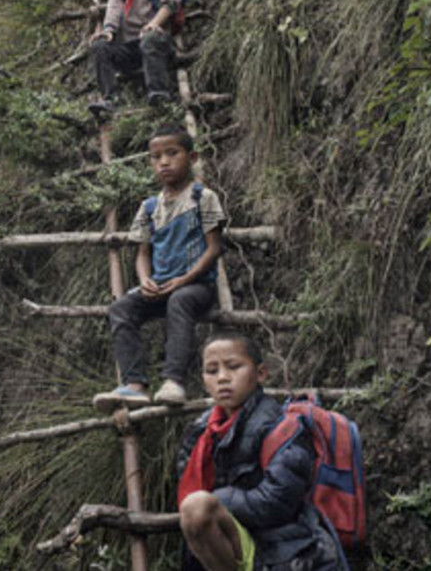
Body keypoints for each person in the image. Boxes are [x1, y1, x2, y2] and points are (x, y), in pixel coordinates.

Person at [175, 333, 345, 571]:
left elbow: (278, 502)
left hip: (281, 550)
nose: (223, 378)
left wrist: (218, 500)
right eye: (212, 371)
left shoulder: (282, 427)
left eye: (233, 367)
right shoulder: (200, 432)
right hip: (228, 548)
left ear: (261, 373)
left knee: (198, 507)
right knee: (196, 507)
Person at [93, 124, 224, 412]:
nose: (163, 162)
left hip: (196, 287)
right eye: (156, 157)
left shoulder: (204, 198)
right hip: (160, 286)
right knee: (121, 308)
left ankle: (173, 381)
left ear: (191, 158)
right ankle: (135, 385)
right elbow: (142, 252)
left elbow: (214, 248)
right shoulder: (150, 207)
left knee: (180, 300)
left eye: (172, 153)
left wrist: (184, 280)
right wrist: (146, 280)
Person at [88, 0, 182, 117]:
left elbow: (171, 2)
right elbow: (114, 7)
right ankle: (111, 98)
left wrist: (155, 23)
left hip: (158, 44)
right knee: (99, 45)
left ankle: (158, 93)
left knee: (150, 38)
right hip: (129, 47)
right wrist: (108, 30)